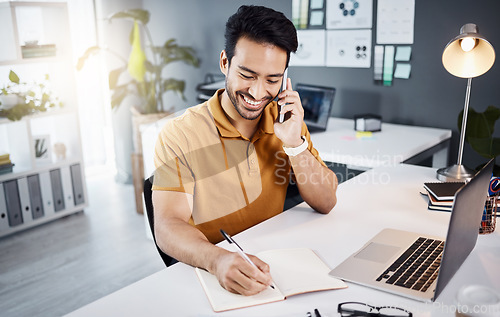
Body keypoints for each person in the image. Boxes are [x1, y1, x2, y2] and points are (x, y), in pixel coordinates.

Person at [152, 5, 338, 296]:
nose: (257, 92)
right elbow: (167, 226)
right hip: (212, 275)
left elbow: (326, 201)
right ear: (225, 62)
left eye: (272, 80)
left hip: (276, 265)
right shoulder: (180, 134)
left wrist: (294, 143)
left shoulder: (285, 120)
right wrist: (217, 260)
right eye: (248, 75)